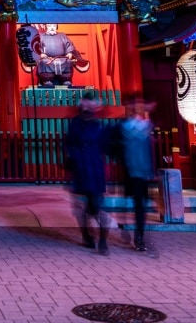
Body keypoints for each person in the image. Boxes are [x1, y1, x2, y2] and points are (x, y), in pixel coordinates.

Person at [65, 90, 112, 254]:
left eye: (90, 102)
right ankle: (87, 236)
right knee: (81, 206)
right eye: (85, 101)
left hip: (95, 169)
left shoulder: (98, 125)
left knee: (96, 206)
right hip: (80, 168)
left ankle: (102, 239)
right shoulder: (75, 124)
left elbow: (106, 145)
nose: (86, 105)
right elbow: (68, 144)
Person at [112, 96, 156, 252]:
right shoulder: (125, 126)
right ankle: (132, 232)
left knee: (137, 204)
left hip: (138, 171)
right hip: (133, 170)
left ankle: (138, 235)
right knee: (133, 204)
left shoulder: (143, 126)